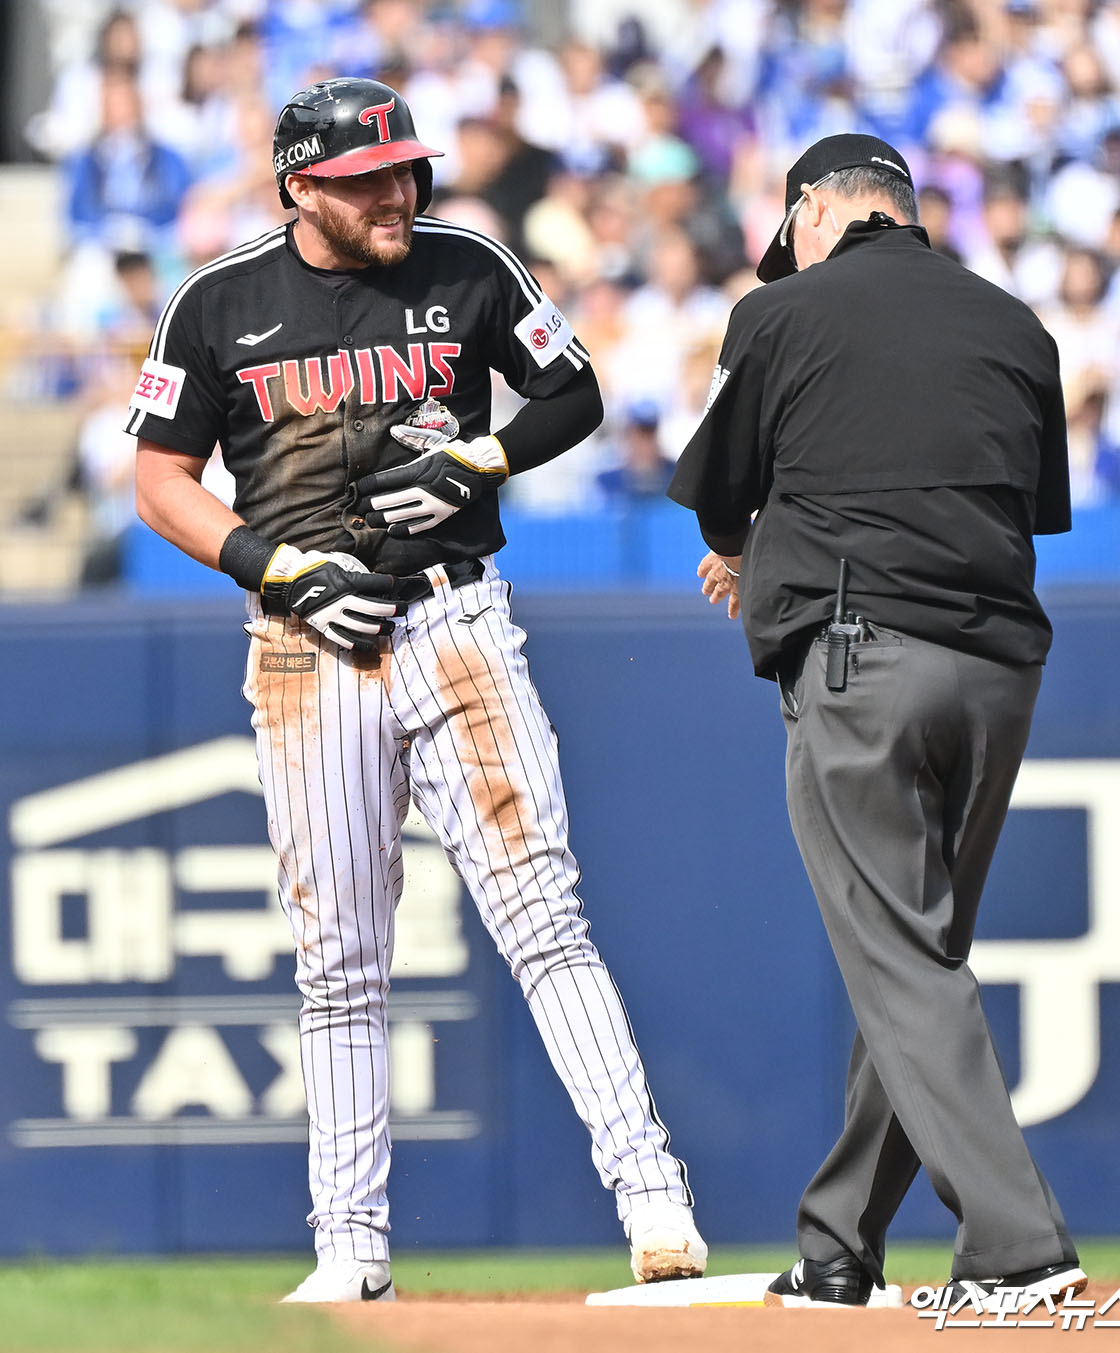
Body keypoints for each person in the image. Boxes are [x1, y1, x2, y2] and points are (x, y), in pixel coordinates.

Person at [129, 76, 704, 1303]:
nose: (397, 192)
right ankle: (351, 1250)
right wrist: (273, 568)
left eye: (404, 169)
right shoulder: (219, 301)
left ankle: (654, 1199)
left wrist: (484, 454)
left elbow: (576, 390)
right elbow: (161, 478)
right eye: (365, 178)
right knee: (338, 960)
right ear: (301, 185)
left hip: (455, 616)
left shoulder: (467, 264)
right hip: (305, 646)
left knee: (544, 918)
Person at [668, 133, 1085, 1312]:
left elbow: (716, 492)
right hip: (999, 668)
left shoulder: (783, 313)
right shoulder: (1017, 324)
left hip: (866, 665)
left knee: (904, 958)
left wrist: (752, 550)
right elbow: (1026, 505)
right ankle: (838, 1244)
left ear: (811, 212)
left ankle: (1018, 1245)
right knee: (915, 956)